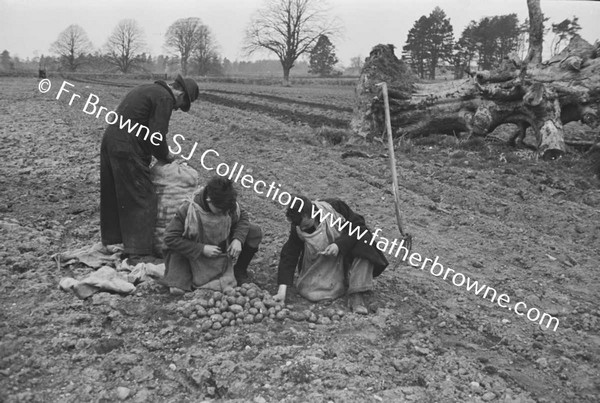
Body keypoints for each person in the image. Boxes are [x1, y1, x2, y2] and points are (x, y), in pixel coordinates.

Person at [100, 74, 199, 260]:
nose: (176, 108)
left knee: (116, 193)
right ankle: (139, 253)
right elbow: (156, 135)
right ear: (181, 94)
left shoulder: (146, 89)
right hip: (127, 147)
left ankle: (114, 240)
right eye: (180, 105)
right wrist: (166, 156)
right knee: (143, 196)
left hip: (110, 143)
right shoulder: (164, 97)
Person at [274, 195, 388, 314]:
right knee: (312, 293)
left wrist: (339, 245)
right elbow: (289, 254)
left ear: (312, 213)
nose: (303, 228)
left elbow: (359, 227)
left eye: (306, 225)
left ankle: (356, 294)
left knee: (365, 238)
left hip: (344, 255)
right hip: (319, 262)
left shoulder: (335, 208)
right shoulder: (298, 225)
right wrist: (282, 291)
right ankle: (339, 280)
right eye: (300, 227)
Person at [161, 177, 262, 294]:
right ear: (209, 200)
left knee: (254, 231)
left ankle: (239, 270)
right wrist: (201, 249)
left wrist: (238, 239)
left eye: (226, 211)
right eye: (220, 211)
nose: (224, 213)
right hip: (189, 253)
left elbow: (243, 217)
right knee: (177, 289)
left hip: (218, 250)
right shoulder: (189, 210)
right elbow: (170, 238)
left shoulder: (226, 203)